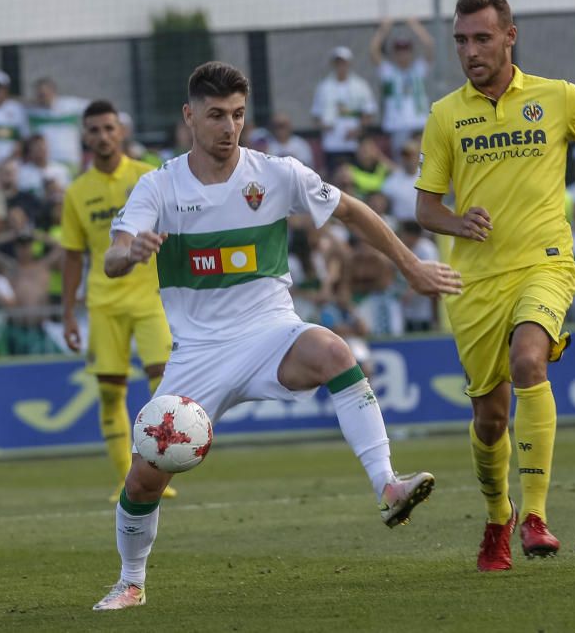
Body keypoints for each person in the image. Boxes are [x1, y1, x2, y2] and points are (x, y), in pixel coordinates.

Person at [94, 61, 462, 610]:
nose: (229, 128)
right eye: (216, 115)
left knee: (334, 351)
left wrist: (410, 266)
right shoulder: (160, 185)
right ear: (189, 116)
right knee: (144, 477)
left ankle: (388, 485)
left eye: (238, 115)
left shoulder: (276, 173)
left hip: (271, 331)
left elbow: (354, 211)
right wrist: (132, 252)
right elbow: (113, 256)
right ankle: (130, 580)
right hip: (199, 352)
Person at [414, 0, 575, 572]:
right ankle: (499, 516)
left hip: (545, 264)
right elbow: (425, 210)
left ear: (510, 36)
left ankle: (537, 515)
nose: (471, 51)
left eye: (482, 38)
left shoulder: (558, 97)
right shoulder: (446, 114)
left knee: (529, 361)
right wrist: (456, 221)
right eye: (462, 41)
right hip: (473, 284)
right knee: (489, 418)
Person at [60, 100, 175, 503]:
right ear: (85, 137)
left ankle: (158, 470)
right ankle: (125, 478)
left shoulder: (150, 177)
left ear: (121, 131)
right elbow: (73, 255)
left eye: (109, 127)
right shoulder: (76, 192)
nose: (103, 136)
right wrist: (68, 315)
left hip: (150, 299)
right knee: (111, 392)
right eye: (94, 130)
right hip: (103, 303)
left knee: (165, 386)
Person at [370, 18, 434, 157]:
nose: (403, 54)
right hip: (397, 127)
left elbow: (429, 46)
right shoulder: (389, 72)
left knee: (424, 161)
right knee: (402, 162)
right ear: (394, 53)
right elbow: (374, 51)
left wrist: (416, 26)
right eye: (399, 50)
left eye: (406, 50)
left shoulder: (418, 70)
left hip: (419, 125)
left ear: (411, 52)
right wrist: (384, 30)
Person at [311, 46, 377, 170]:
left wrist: (358, 131)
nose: (341, 66)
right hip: (332, 144)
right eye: (338, 63)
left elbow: (368, 114)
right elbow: (316, 116)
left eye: (343, 62)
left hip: (355, 145)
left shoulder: (360, 86)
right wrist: (324, 126)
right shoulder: (324, 87)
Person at [26, 77, 88, 169]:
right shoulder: (32, 111)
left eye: (44, 93)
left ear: (53, 91)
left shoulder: (71, 105)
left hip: (70, 160)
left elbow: (97, 108)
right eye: (39, 94)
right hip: (47, 163)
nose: (42, 97)